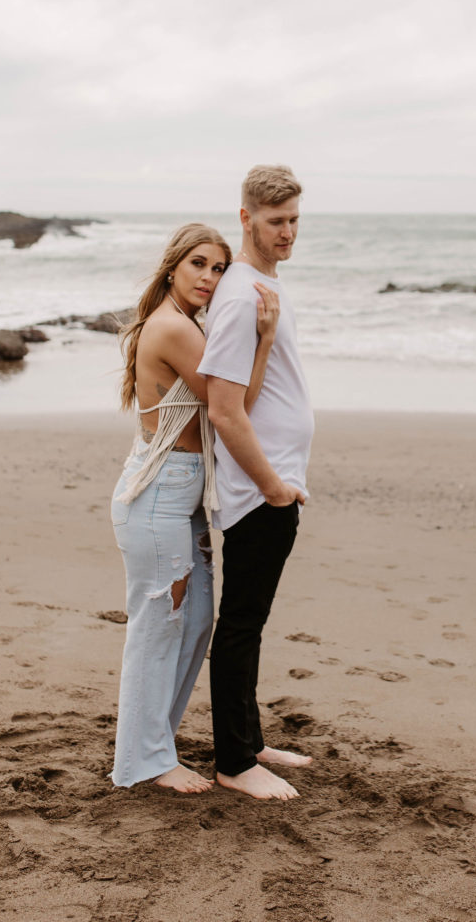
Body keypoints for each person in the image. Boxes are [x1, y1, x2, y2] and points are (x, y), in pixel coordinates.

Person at [110, 222, 279, 794]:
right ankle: (143, 761)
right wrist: (266, 339)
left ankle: (157, 743)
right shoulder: (175, 329)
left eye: (218, 268)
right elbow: (238, 404)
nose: (209, 277)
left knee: (196, 621)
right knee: (158, 627)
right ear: (173, 267)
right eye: (199, 265)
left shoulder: (185, 324)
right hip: (158, 492)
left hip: (179, 492)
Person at [198, 165, 315, 801]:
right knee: (242, 623)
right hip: (257, 492)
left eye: (295, 220)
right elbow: (223, 408)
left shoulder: (261, 286)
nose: (288, 232)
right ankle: (235, 761)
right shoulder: (243, 295)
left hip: (271, 483)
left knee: (252, 620)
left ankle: (250, 739)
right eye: (276, 222)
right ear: (246, 219)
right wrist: (273, 486)